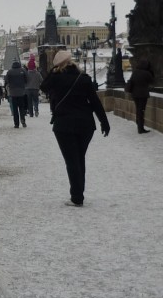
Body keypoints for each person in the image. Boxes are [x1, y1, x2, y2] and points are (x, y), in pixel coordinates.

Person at [39, 49, 110, 206]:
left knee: (72, 161)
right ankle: (79, 193)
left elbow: (43, 87)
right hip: (85, 125)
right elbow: (95, 102)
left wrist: (54, 69)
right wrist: (104, 122)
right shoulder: (83, 78)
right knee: (79, 159)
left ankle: (77, 197)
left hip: (64, 125)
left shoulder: (56, 78)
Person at [125, 58, 155, 134]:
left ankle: (139, 124)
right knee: (141, 110)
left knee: (138, 109)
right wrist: (151, 71)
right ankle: (140, 128)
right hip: (143, 94)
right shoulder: (146, 73)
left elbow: (132, 81)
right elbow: (152, 81)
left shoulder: (135, 72)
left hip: (135, 94)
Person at [3, 60, 28, 128]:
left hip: (13, 92)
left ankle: (16, 123)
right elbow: (27, 79)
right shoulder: (23, 70)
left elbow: (6, 80)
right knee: (21, 108)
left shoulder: (9, 71)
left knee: (15, 109)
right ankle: (23, 119)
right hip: (21, 92)